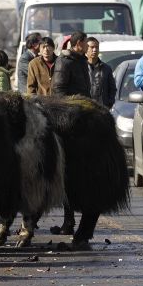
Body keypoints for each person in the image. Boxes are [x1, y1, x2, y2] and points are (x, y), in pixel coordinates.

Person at [50, 31, 91, 235]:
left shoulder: (80, 61)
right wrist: (71, 112)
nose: (87, 46)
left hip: (83, 120)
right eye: (85, 43)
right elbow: (58, 92)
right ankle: (68, 221)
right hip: (69, 124)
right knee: (69, 175)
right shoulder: (64, 62)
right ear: (78, 44)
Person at [51, 31, 91, 98]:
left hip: (83, 104)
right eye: (86, 42)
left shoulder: (82, 60)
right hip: (71, 106)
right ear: (79, 43)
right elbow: (59, 89)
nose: (88, 46)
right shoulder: (64, 61)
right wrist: (68, 106)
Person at [86, 37, 116, 109]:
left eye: (97, 47)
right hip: (85, 110)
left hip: (102, 110)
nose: (95, 50)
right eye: (92, 47)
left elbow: (112, 88)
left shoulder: (106, 68)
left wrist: (109, 104)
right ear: (86, 49)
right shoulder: (80, 67)